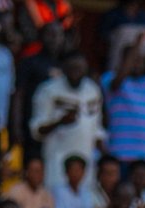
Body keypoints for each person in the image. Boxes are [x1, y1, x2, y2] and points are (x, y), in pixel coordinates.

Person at [30, 51, 102, 187]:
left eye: (79, 68)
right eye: (72, 68)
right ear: (63, 68)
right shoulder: (48, 90)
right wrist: (60, 122)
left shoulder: (93, 90)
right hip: (57, 160)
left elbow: (96, 129)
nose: (76, 73)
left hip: (86, 158)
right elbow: (37, 131)